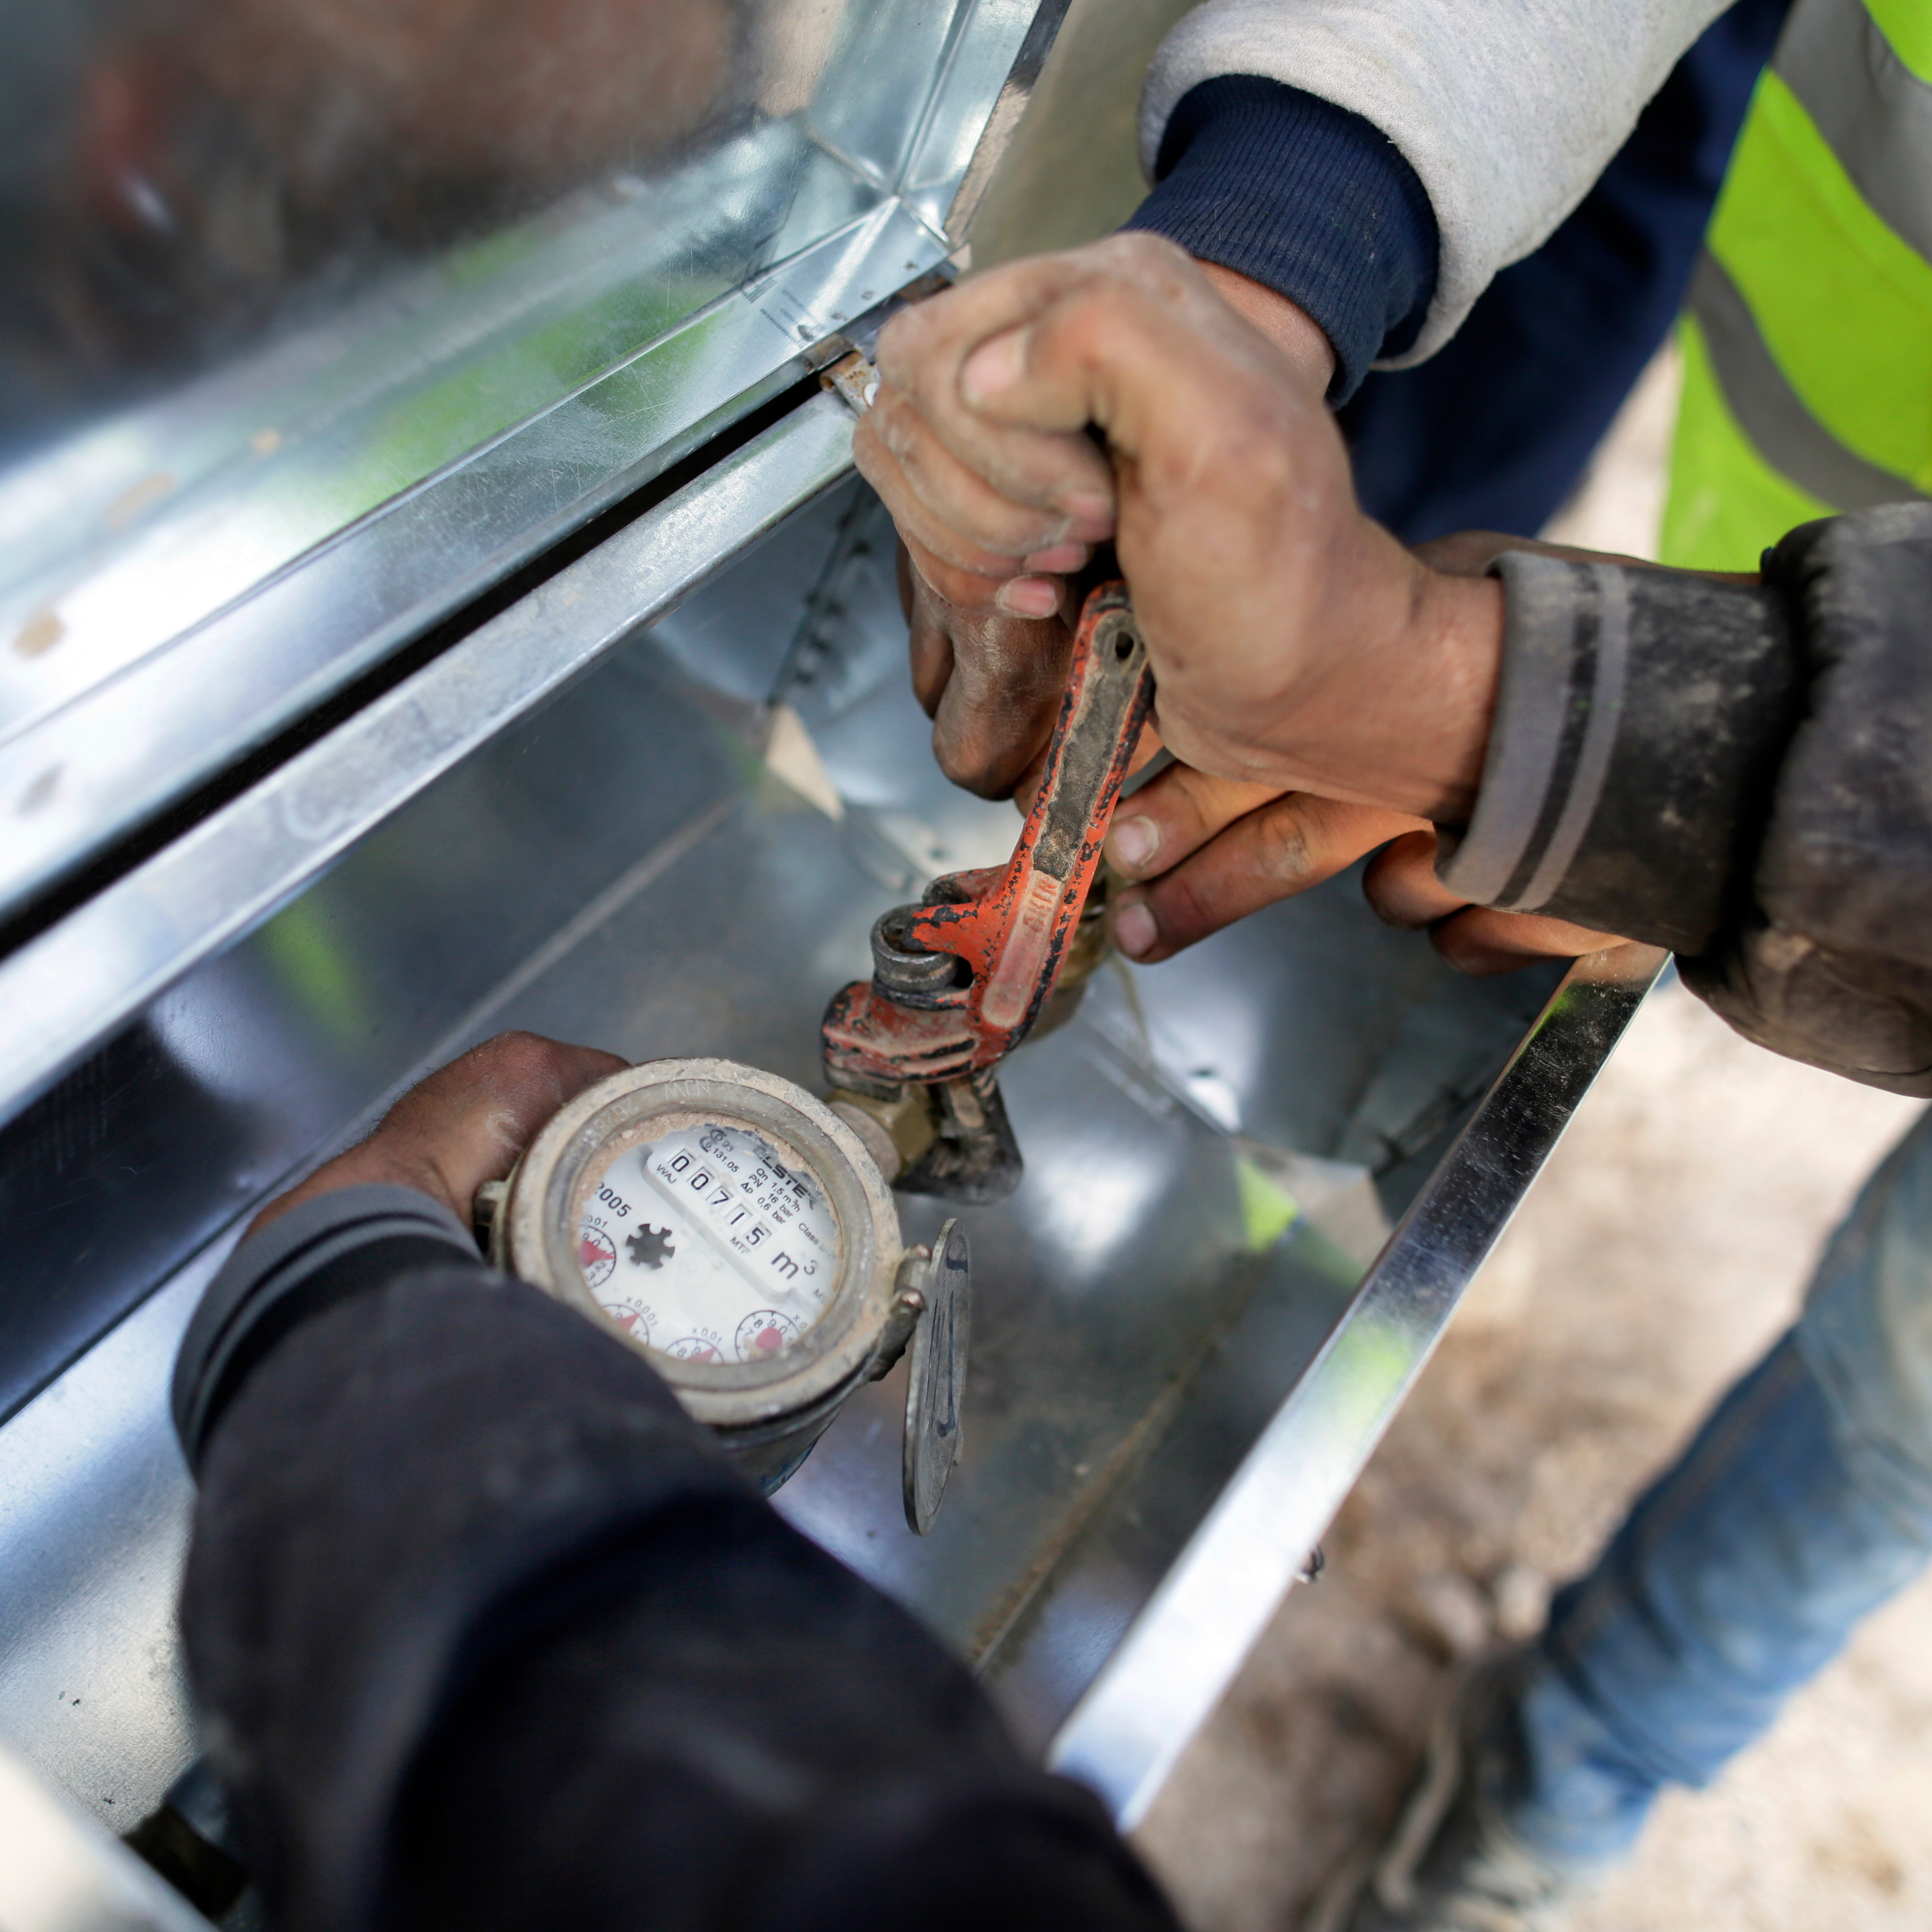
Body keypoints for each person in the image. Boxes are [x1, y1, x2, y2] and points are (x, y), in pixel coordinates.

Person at [851, 227, 1932, 1932]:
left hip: (1841, 680)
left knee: (1905, 1411)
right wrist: (1270, 261)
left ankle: (1555, 1787)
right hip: (1842, 577)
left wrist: (1563, 719)